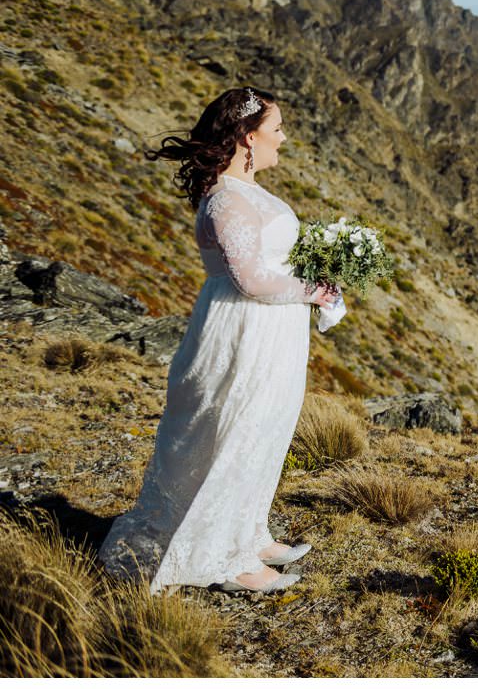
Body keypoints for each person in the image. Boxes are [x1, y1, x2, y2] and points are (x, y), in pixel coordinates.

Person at [98, 86, 340, 595]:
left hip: (271, 330)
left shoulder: (244, 191)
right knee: (236, 431)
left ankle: (249, 531)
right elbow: (249, 278)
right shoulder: (227, 199)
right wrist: (312, 291)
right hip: (244, 332)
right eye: (277, 129)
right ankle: (228, 560)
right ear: (249, 138)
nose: (284, 138)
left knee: (264, 430)